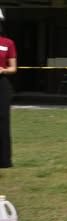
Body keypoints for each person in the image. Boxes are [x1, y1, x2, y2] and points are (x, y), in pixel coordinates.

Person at [0, 9, 16, 168]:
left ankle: (4, 160)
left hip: (2, 85)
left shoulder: (7, 43)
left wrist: (3, 70)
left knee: (3, 121)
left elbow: (13, 68)